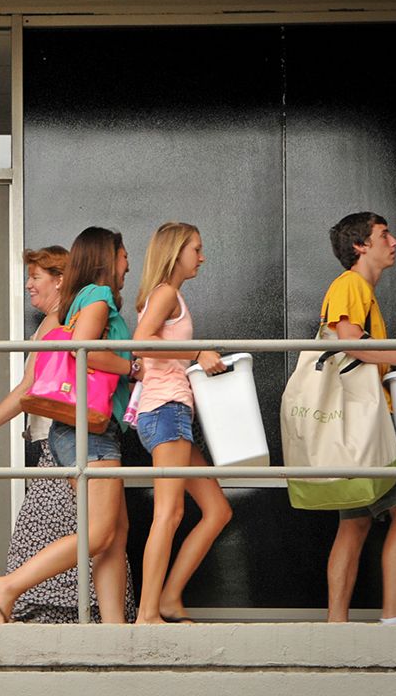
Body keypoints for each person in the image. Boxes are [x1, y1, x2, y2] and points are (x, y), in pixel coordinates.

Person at [0, 246, 137, 623]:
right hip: (75, 437)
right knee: (101, 534)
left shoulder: (59, 323)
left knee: (107, 533)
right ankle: (21, 594)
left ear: (60, 280)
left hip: (67, 442)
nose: (29, 285)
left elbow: (28, 389)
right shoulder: (60, 323)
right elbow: (30, 388)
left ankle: (105, 624)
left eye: (36, 277)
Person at [321, 212, 396, 623]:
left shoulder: (359, 290)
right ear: (361, 246)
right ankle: (393, 622)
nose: (394, 242)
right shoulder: (352, 285)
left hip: (355, 421)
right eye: (384, 235)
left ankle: (336, 627)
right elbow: (352, 344)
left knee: (355, 523)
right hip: (370, 422)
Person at [131, 221, 233, 625]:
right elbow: (140, 340)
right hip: (166, 411)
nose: (202, 257)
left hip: (172, 414)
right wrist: (197, 352)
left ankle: (170, 599)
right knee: (169, 514)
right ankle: (147, 615)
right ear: (176, 253)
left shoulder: (165, 296)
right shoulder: (166, 294)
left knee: (217, 510)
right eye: (197, 249)